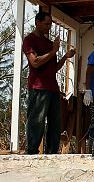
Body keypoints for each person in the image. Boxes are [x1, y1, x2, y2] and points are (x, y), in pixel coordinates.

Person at [22, 11, 75, 154]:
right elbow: (35, 62)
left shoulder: (50, 44)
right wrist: (53, 51)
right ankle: (32, 151)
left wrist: (65, 56)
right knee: (37, 120)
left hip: (52, 87)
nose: (49, 27)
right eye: (46, 24)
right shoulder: (29, 40)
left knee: (55, 123)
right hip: (38, 87)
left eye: (50, 24)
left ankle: (52, 152)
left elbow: (54, 68)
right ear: (37, 23)